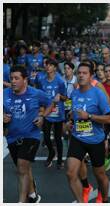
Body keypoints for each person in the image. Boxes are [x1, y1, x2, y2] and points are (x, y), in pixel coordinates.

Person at [4, 66, 53, 202]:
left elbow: (50, 103)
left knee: (21, 166)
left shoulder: (36, 93)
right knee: (23, 168)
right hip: (12, 137)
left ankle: (22, 201)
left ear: (25, 80)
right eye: (11, 78)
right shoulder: (5, 93)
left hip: (31, 135)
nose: (13, 81)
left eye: (16, 78)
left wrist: (43, 116)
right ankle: (33, 194)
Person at [66, 62, 110, 203]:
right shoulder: (74, 93)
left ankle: (104, 199)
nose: (81, 75)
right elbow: (74, 114)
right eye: (79, 73)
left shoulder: (98, 93)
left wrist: (90, 116)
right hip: (78, 138)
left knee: (100, 175)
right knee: (70, 173)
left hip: (95, 140)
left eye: (84, 73)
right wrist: (70, 122)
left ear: (91, 76)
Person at [37, 59, 67, 169]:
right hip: (46, 113)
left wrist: (60, 97)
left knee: (58, 138)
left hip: (58, 112)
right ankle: (51, 153)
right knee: (46, 137)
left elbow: (65, 97)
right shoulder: (42, 80)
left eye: (50, 65)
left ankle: (59, 160)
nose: (48, 67)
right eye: (47, 65)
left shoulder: (60, 81)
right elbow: (40, 95)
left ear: (55, 68)